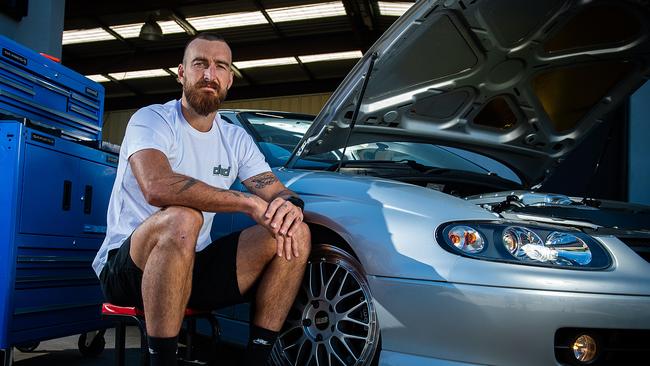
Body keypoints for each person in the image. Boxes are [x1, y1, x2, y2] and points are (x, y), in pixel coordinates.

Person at [91, 32, 311, 366]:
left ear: (229, 79)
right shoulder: (152, 119)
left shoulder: (234, 138)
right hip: (130, 268)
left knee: (295, 232)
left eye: (220, 66)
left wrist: (290, 207)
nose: (209, 74)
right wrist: (246, 201)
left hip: (192, 268)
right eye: (200, 64)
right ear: (182, 73)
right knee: (183, 217)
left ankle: (257, 360)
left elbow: (278, 190)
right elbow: (157, 187)